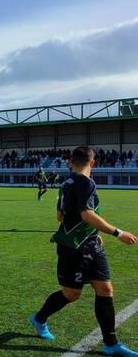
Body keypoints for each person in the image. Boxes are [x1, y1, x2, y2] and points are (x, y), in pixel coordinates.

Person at [29, 146, 138, 356]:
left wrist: (92, 232)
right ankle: (40, 318)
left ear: (71, 161)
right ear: (93, 163)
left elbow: (61, 217)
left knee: (105, 290)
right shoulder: (85, 182)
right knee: (72, 294)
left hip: (90, 244)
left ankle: (111, 343)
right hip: (74, 248)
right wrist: (118, 232)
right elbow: (86, 214)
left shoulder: (66, 183)